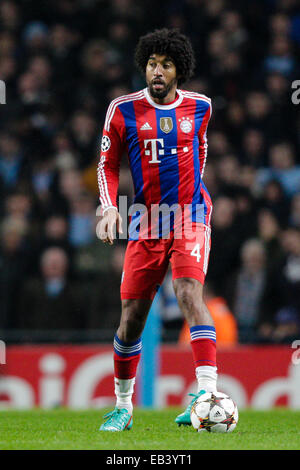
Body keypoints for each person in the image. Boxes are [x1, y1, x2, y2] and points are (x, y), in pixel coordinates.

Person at [97, 28, 217, 431]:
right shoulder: (122, 110)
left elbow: (199, 152)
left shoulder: (201, 106)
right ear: (143, 66)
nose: (157, 71)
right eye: (152, 63)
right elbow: (107, 165)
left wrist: (191, 198)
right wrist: (111, 208)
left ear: (178, 70)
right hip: (146, 220)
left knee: (187, 291)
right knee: (132, 316)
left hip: (188, 215)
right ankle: (123, 406)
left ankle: (207, 394)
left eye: (166, 64)